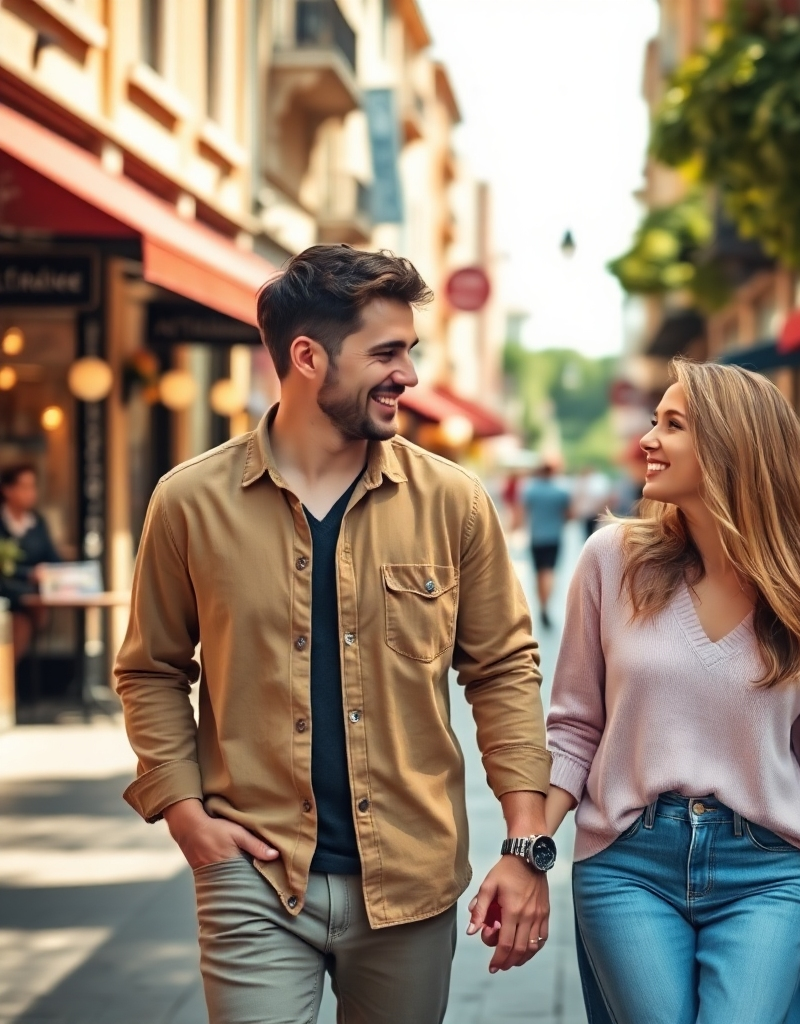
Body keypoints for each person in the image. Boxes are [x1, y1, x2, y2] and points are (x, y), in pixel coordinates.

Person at [115, 245, 557, 1024]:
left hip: (411, 882)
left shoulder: (452, 502)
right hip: (252, 874)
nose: (408, 376)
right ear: (308, 357)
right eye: (386, 353)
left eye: (409, 352)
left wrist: (526, 843)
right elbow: (151, 668)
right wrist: (184, 812)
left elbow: (503, 670)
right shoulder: (188, 502)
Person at [545, 358, 800, 1024]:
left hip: (765, 870)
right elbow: (573, 728)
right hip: (629, 859)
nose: (648, 439)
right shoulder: (611, 560)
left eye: (672, 425)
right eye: (654, 420)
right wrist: (527, 853)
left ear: (731, 446)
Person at [0, 463, 61, 660]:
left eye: (33, 487)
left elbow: (54, 558)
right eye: (24, 487)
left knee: (25, 621)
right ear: (7, 490)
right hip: (7, 594)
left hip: (30, 601)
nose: (31, 493)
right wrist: (28, 574)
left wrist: (47, 571)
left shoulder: (37, 522)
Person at [521, 462, 572, 629]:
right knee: (549, 572)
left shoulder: (530, 490)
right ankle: (546, 605)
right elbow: (569, 514)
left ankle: (541, 604)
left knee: (537, 574)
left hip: (536, 537)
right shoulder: (560, 492)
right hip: (554, 537)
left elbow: (523, 512)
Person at [572, 466, 612, 538]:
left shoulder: (594, 482)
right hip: (590, 512)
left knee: (591, 533)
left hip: (592, 512)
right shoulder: (595, 482)